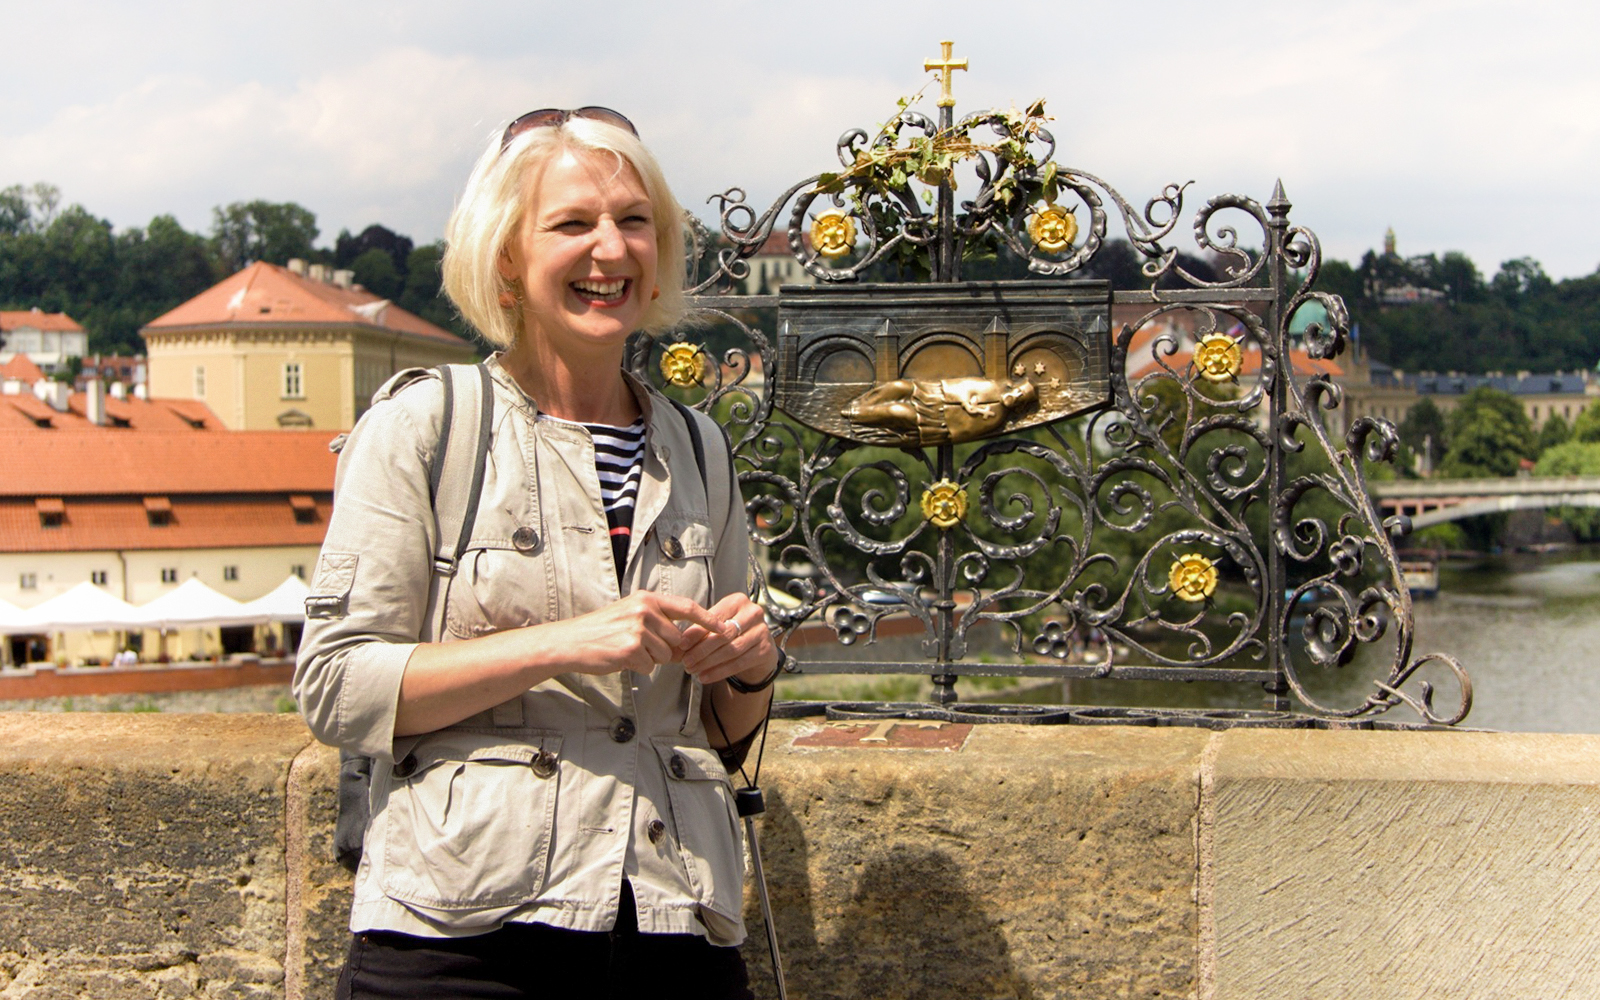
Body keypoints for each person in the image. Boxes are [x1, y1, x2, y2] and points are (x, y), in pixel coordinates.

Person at [294, 107, 781, 1000]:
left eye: (634, 221)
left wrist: (747, 669)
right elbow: (335, 685)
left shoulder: (700, 446)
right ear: (507, 257)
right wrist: (563, 642)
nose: (611, 250)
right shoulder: (424, 425)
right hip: (465, 934)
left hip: (671, 922)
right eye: (572, 224)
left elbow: (715, 734)